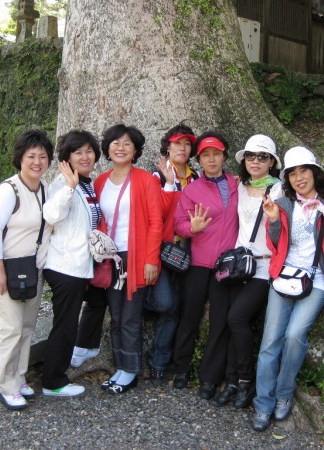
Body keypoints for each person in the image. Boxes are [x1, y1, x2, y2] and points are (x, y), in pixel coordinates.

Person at [251, 146, 324, 431]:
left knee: (294, 335)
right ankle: (262, 403)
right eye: (293, 174)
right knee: (270, 342)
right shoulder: (283, 203)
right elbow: (275, 243)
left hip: (317, 279)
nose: (299, 178)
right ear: (287, 179)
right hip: (284, 275)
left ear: (315, 173)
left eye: (304, 171)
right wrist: (273, 220)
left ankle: (284, 393)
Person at [210, 134, 283, 409]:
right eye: (251, 156)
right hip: (238, 265)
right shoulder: (240, 186)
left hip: (263, 265)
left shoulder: (280, 190)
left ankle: (245, 380)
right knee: (232, 322)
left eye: (263, 157)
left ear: (272, 162)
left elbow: (283, 231)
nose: (256, 161)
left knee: (237, 318)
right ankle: (231, 382)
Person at [0, 129, 53, 410]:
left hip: (33, 268)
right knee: (10, 328)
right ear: (20, 158)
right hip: (9, 269)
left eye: (42, 156)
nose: (37, 162)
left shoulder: (45, 189)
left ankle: (19, 376)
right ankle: (7, 385)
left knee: (26, 327)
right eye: (31, 156)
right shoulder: (8, 190)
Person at [96, 123, 163, 395]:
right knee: (115, 315)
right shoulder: (100, 181)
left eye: (127, 144)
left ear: (135, 150)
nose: (121, 148)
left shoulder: (146, 180)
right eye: (116, 143)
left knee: (130, 316)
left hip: (135, 255)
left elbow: (156, 222)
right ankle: (119, 367)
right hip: (110, 258)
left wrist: (151, 260)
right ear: (108, 148)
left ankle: (131, 371)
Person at [171, 131, 239, 401]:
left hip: (226, 265)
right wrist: (192, 228)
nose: (211, 159)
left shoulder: (237, 185)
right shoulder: (192, 189)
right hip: (198, 263)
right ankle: (181, 369)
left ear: (224, 156)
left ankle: (209, 378)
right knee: (189, 316)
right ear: (199, 159)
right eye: (206, 155)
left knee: (219, 322)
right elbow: (179, 224)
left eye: (216, 154)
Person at [40, 130, 102, 397]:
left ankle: (84, 348)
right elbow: (51, 215)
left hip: (80, 265)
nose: (85, 157)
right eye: (78, 152)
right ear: (66, 158)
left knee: (98, 300)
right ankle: (53, 381)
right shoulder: (62, 184)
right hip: (64, 266)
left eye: (89, 151)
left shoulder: (88, 183)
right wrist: (68, 188)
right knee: (65, 324)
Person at [146, 122, 199, 387]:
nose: (182, 148)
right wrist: (169, 184)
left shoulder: (196, 177)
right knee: (166, 304)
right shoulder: (156, 176)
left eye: (187, 144)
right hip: (162, 249)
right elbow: (152, 214)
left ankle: (159, 363)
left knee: (176, 310)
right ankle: (142, 300)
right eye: (177, 143)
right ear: (167, 146)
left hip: (187, 251)